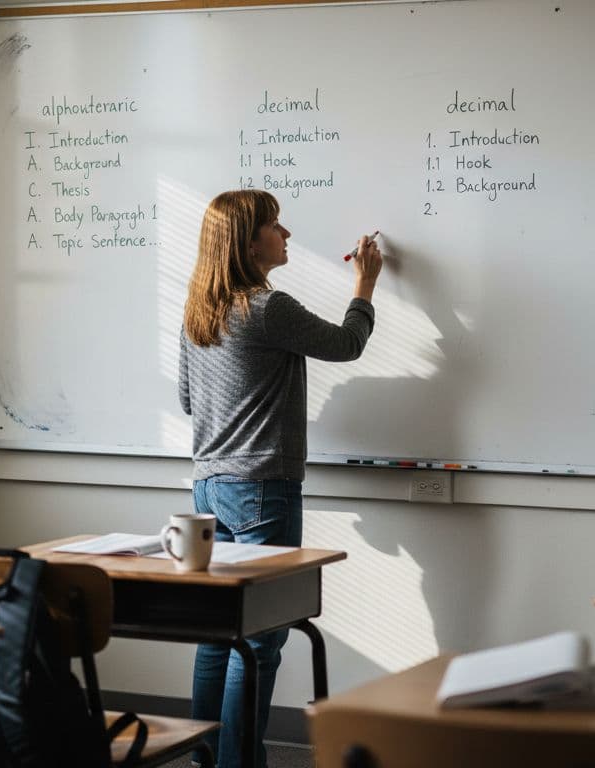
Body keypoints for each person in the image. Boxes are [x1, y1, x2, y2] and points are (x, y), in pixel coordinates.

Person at [178, 189, 382, 768]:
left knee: (219, 634)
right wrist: (364, 286)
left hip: (208, 486)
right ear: (247, 243)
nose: (286, 234)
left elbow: (189, 399)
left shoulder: (199, 315)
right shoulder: (267, 309)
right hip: (262, 485)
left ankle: (206, 756)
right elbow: (346, 345)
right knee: (261, 639)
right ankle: (239, 762)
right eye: (274, 225)